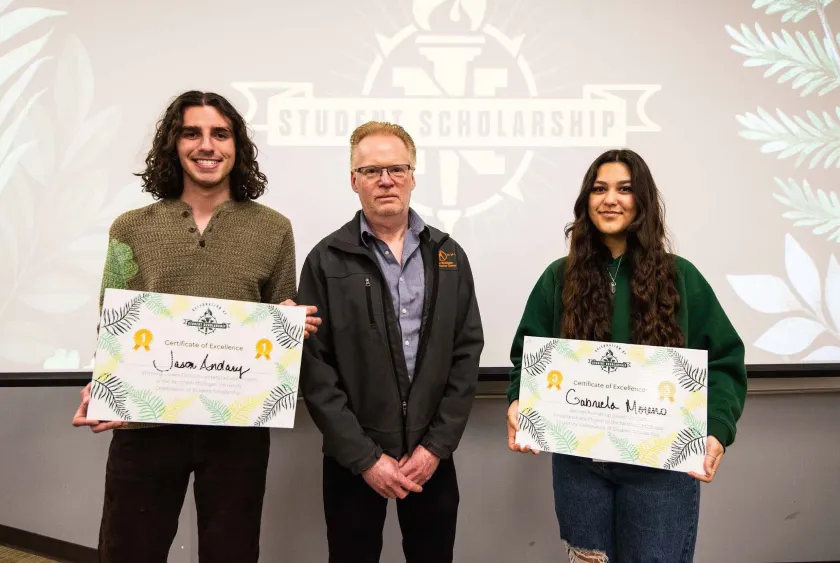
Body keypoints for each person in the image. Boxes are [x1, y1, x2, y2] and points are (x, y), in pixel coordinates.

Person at [71, 90, 320, 563]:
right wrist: (103, 385)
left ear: (237, 146)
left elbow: (278, 322)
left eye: (220, 134)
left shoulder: (273, 228)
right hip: (145, 423)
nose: (207, 145)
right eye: (192, 133)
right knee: (128, 551)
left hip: (236, 428)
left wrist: (291, 328)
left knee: (232, 552)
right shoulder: (131, 226)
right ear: (173, 144)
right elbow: (113, 321)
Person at [505, 149, 747, 562]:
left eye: (624, 189)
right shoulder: (558, 277)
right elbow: (527, 359)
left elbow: (724, 361)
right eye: (599, 189)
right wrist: (518, 404)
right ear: (587, 201)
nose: (610, 199)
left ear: (643, 201)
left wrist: (717, 429)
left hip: (661, 470)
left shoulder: (680, 276)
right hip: (580, 468)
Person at [297, 121, 484, 563]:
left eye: (397, 168)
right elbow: (314, 367)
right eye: (371, 170)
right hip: (352, 462)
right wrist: (365, 458)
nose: (386, 180)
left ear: (413, 176)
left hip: (431, 458)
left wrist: (436, 447)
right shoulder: (325, 260)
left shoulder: (449, 255)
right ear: (353, 181)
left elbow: (466, 352)